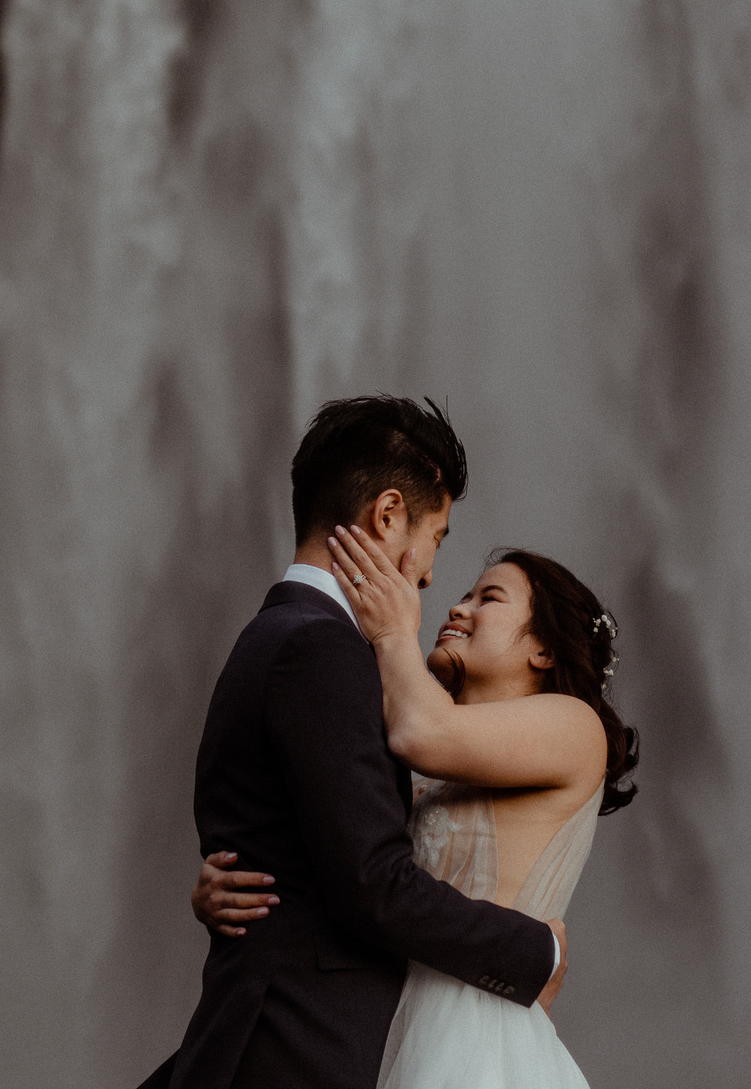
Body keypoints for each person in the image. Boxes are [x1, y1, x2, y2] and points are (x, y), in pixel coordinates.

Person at [137, 397, 568, 1089]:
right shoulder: (320, 649)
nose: (428, 573)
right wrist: (535, 950)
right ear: (388, 515)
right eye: (438, 536)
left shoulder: (276, 636)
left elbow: (299, 848)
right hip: (295, 1050)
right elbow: (373, 882)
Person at [192, 530, 639, 1089]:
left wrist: (391, 632)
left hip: (474, 1041)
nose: (457, 605)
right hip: (381, 1026)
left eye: (489, 598)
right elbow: (359, 863)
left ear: (543, 649)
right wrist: (226, 881)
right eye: (467, 595)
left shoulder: (577, 726)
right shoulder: (433, 769)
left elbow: (420, 730)